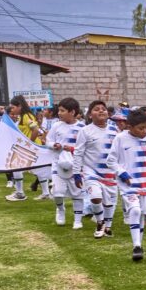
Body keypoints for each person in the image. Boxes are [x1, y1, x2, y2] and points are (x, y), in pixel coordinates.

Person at [106, 109, 146, 262]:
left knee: (141, 213)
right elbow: (110, 160)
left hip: (144, 183)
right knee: (135, 210)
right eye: (141, 128)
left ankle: (139, 245)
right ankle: (136, 246)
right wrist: (122, 173)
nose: (144, 131)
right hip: (128, 184)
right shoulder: (120, 138)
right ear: (130, 127)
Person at [73, 101, 118, 239]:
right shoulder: (85, 131)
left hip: (110, 173)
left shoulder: (114, 130)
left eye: (103, 109)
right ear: (90, 115)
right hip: (91, 172)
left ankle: (107, 227)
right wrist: (76, 173)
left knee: (109, 203)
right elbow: (78, 153)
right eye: (96, 109)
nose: (101, 111)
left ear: (108, 113)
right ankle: (100, 222)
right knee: (95, 196)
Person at [45, 97, 85, 229]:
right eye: (59, 110)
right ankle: (60, 209)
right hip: (58, 163)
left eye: (62, 110)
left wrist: (72, 149)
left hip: (76, 165)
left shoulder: (82, 127)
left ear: (72, 112)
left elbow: (85, 147)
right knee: (57, 192)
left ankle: (78, 220)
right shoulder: (56, 126)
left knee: (77, 192)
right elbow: (48, 141)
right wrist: (53, 145)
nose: (59, 113)